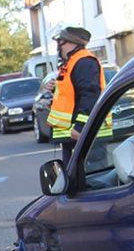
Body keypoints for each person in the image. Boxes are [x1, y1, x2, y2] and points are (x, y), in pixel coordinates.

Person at [45, 26, 105, 163]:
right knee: (74, 179)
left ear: (72, 43)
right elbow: (72, 95)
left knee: (91, 179)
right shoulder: (72, 62)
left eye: (61, 43)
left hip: (83, 136)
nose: (59, 47)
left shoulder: (84, 62)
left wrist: (80, 127)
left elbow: (90, 96)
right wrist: (55, 89)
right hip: (74, 136)